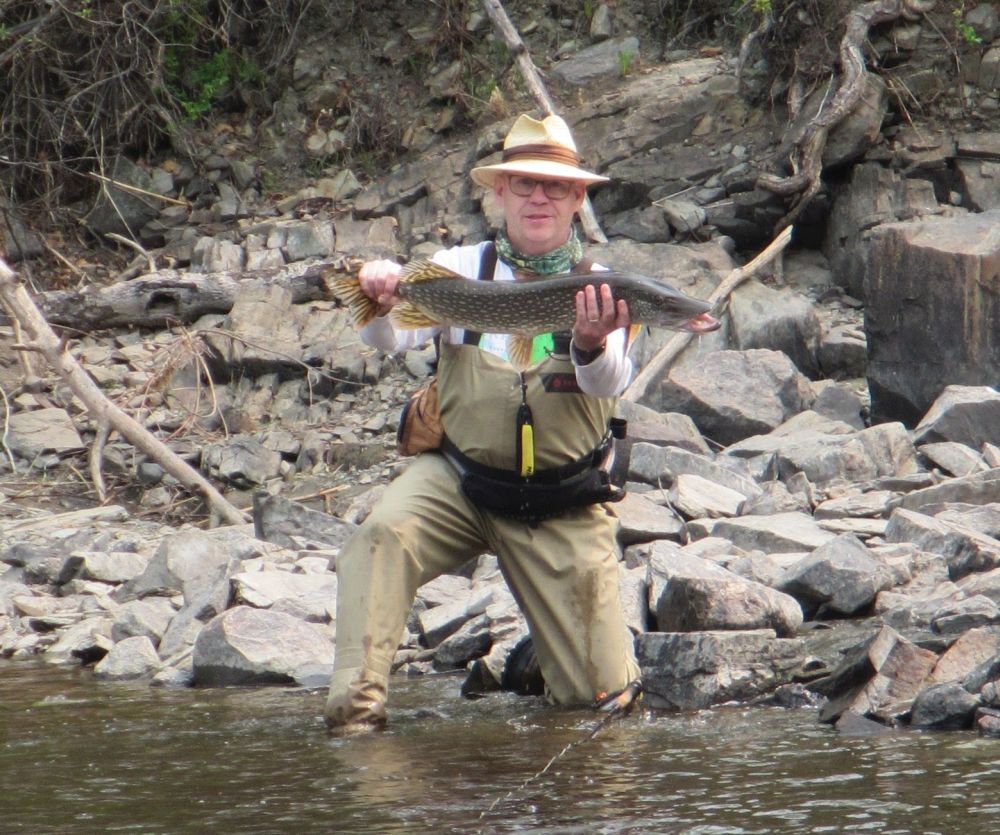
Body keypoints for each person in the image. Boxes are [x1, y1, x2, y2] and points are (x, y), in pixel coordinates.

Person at [325, 113, 642, 732]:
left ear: (578, 199)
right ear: (499, 194)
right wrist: (379, 294)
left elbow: (610, 382)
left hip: (561, 503)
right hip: (461, 484)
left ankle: (527, 663)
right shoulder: (460, 268)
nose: (539, 198)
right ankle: (355, 720)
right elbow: (391, 339)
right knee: (378, 536)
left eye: (555, 187)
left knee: (605, 706)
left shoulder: (604, 291)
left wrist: (589, 341)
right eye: (523, 184)